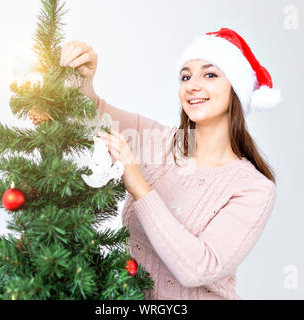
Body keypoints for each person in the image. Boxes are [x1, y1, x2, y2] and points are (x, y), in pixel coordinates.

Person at [31, 28, 281, 300]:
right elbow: (96, 113)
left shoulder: (253, 188)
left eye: (210, 74)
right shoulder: (158, 141)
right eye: (186, 76)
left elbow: (198, 268)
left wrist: (138, 184)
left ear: (236, 88)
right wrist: (83, 82)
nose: (192, 85)